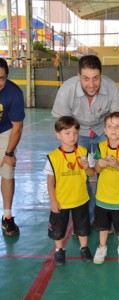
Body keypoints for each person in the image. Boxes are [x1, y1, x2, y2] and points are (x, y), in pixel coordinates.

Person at [52, 55, 119, 223]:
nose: (91, 84)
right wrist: (71, 145)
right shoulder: (66, 90)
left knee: (106, 173)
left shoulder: (112, 88)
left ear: (101, 75)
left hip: (102, 130)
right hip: (77, 131)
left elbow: (115, 121)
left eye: (95, 78)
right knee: (80, 175)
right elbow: (63, 124)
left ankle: (103, 217)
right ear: (78, 76)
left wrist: (118, 139)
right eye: (86, 79)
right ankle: (89, 216)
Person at [44, 116, 94, 265]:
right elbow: (50, 180)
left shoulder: (84, 152)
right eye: (67, 133)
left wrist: (87, 168)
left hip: (80, 198)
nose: (72, 136)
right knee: (58, 229)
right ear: (58, 135)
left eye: (75, 133)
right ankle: (59, 250)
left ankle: (84, 248)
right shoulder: (53, 157)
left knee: (83, 227)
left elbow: (92, 174)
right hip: (61, 200)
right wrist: (53, 200)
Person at [93, 112, 119, 265]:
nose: (113, 130)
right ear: (104, 130)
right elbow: (96, 170)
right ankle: (101, 247)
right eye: (109, 126)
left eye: (117, 126)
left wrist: (117, 165)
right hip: (103, 197)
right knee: (103, 226)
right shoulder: (100, 147)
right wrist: (100, 164)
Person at [0, 58, 25, 236]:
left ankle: (7, 217)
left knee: (8, 170)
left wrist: (9, 153)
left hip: (5, 131)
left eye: (1, 78)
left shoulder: (14, 93)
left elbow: (17, 127)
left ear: (7, 77)